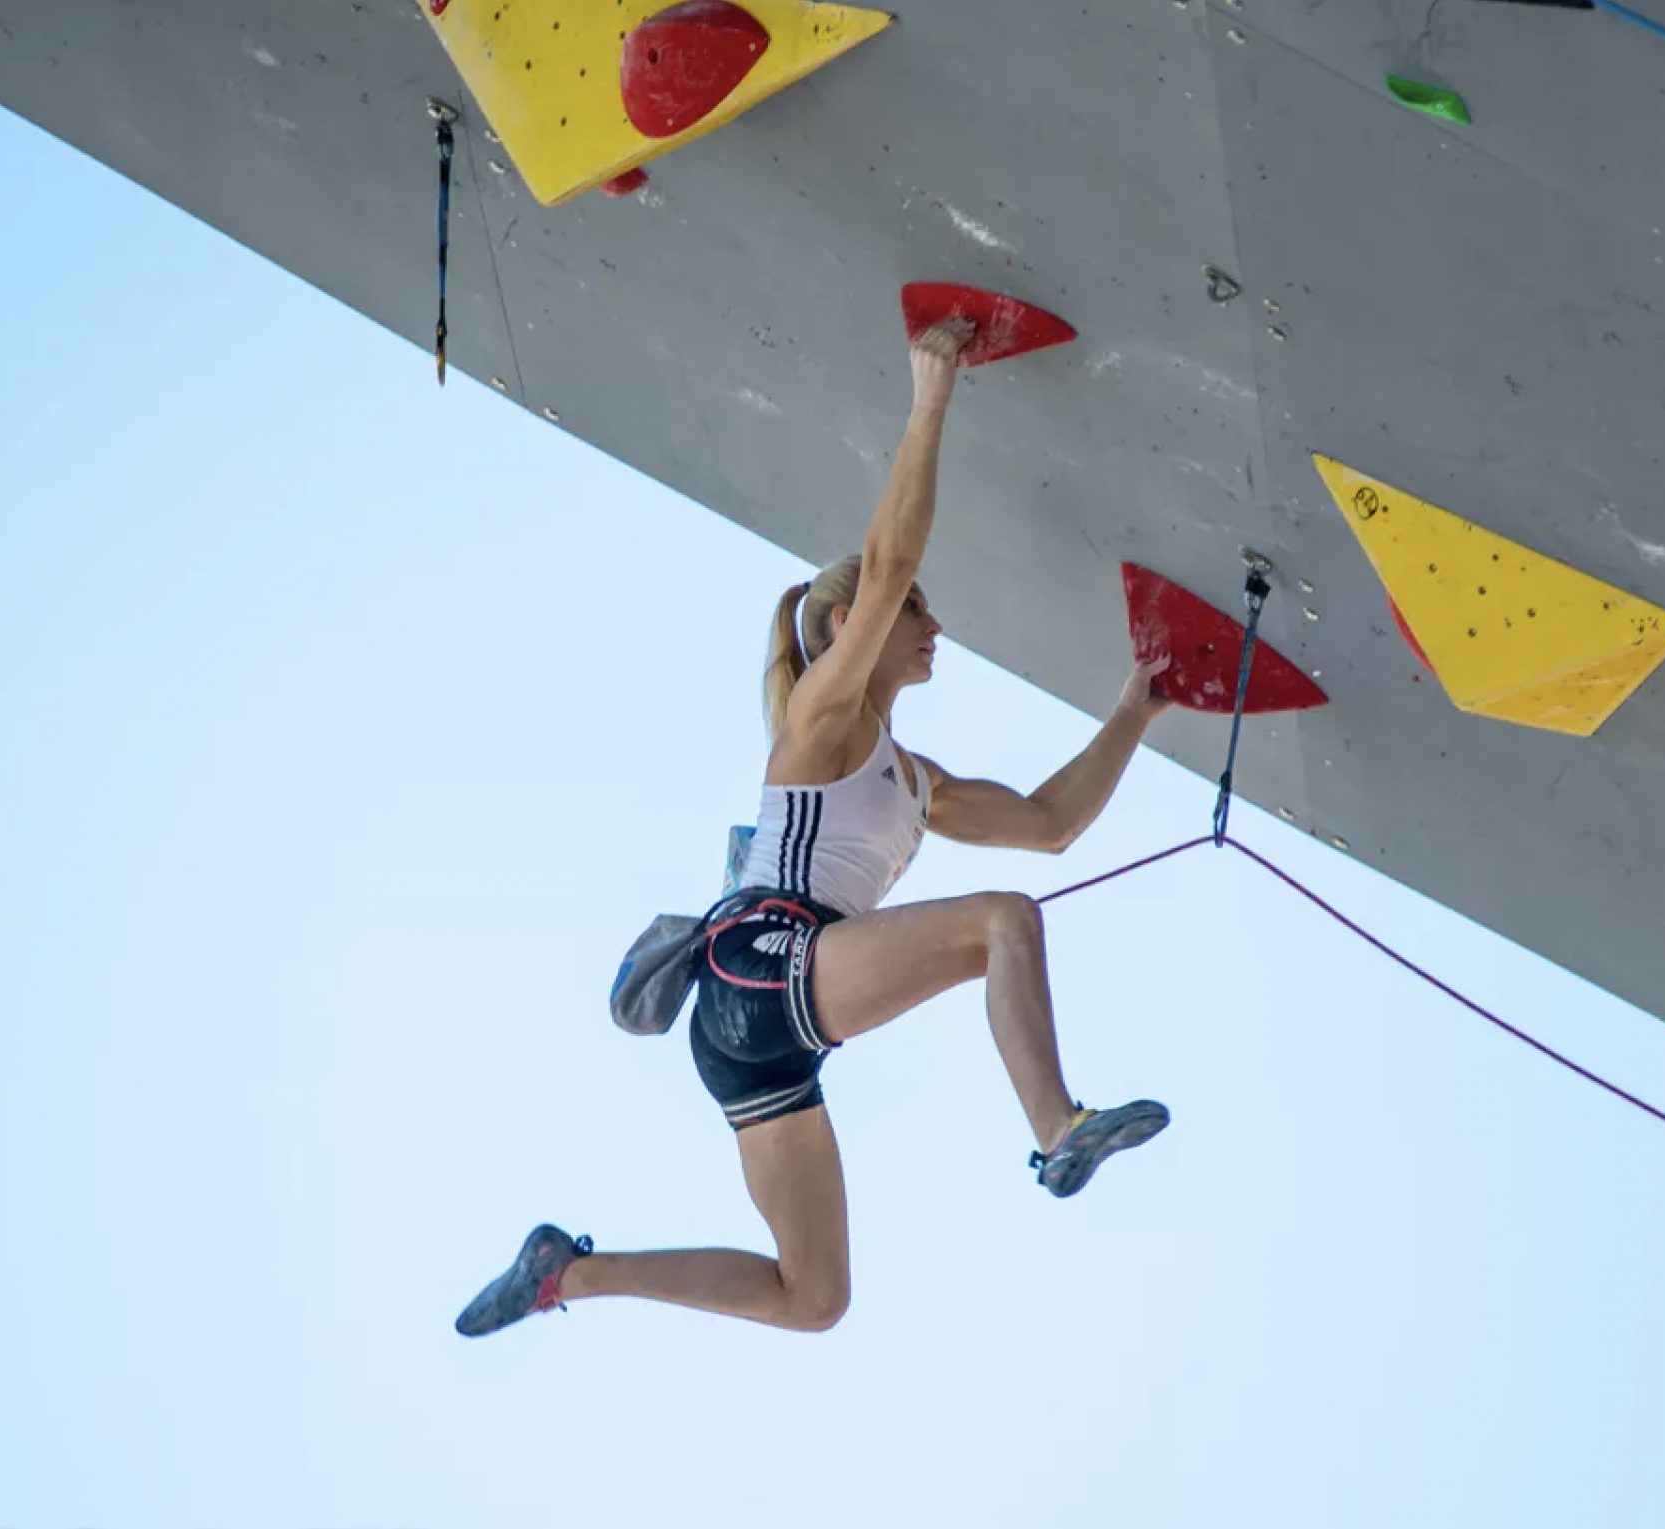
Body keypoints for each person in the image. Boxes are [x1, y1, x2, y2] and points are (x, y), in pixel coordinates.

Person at [457, 317, 1173, 1338]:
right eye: (916, 612)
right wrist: (931, 399)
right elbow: (882, 567)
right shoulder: (821, 724)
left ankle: (564, 1275)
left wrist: (1134, 711)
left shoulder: (915, 780)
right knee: (1001, 922)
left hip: (750, 1034)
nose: (933, 627)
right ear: (849, 628)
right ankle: (1056, 1127)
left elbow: (1051, 821)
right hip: (764, 963)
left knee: (815, 1294)